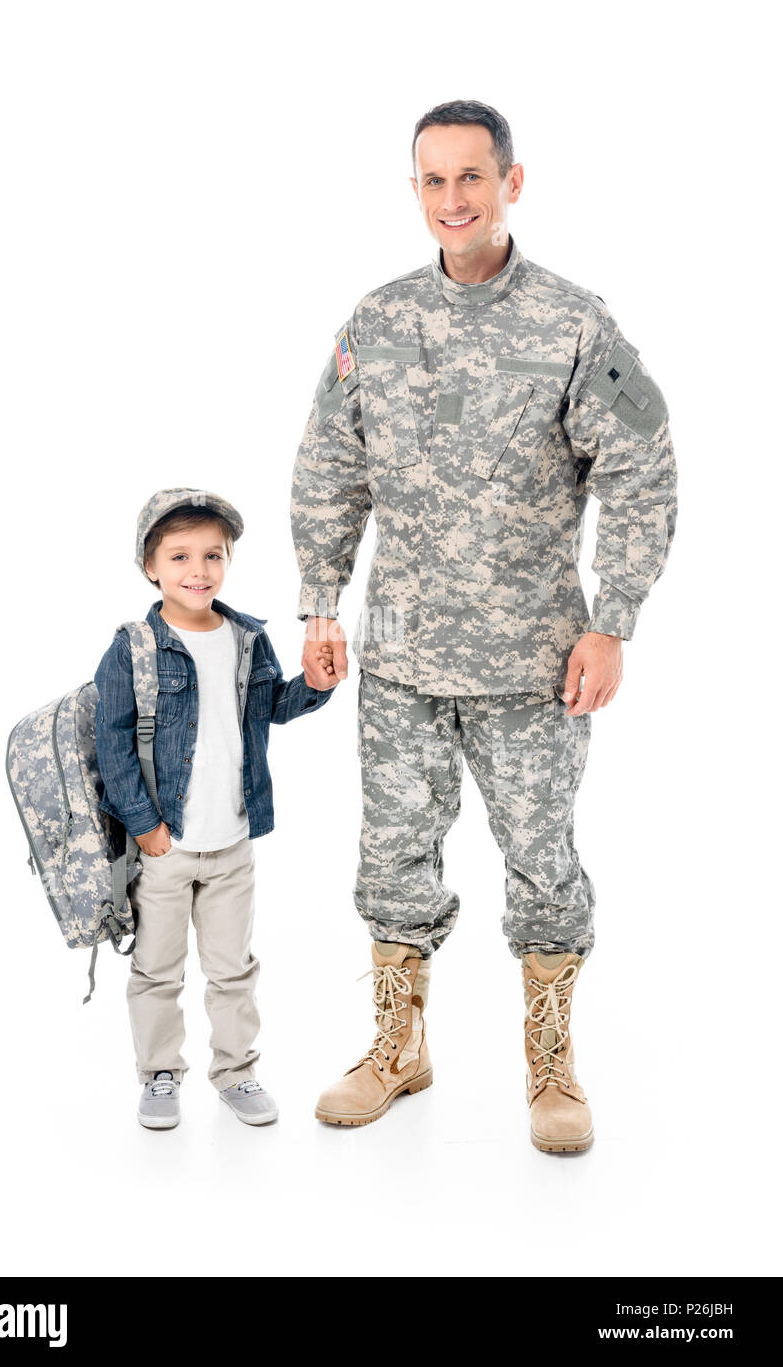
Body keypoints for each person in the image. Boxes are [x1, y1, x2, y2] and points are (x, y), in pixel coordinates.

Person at [292, 101, 677, 1151]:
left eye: (471, 177)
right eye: (432, 181)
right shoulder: (376, 321)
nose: (452, 200)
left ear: (514, 182)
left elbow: (642, 471)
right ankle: (398, 1049)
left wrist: (616, 621)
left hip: (531, 666)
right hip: (404, 658)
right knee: (392, 860)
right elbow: (330, 468)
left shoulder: (574, 323)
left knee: (544, 862)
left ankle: (551, 1065)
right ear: (413, 191)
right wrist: (321, 602)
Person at [94, 487, 337, 1130]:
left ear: (228, 561)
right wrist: (145, 827)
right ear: (151, 566)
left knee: (233, 969)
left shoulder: (247, 638)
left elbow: (269, 710)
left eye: (212, 555)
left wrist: (314, 685)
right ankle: (160, 1075)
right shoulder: (133, 648)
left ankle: (236, 1071)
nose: (197, 570)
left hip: (232, 842)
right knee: (157, 970)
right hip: (165, 848)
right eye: (179, 557)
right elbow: (112, 744)